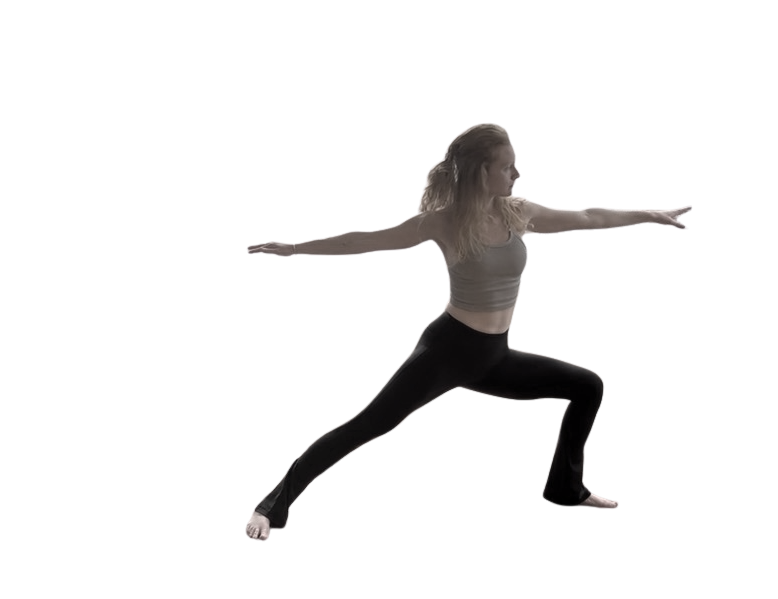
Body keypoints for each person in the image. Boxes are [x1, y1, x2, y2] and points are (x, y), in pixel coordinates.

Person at [245, 122, 690, 542]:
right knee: (363, 427)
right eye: (507, 165)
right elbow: (363, 240)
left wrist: (653, 214)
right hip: (448, 352)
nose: (517, 172)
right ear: (482, 171)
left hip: (493, 355)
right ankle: (267, 509)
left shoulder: (516, 213)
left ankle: (566, 490)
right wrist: (297, 249)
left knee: (587, 386)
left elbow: (590, 217)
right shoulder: (444, 221)